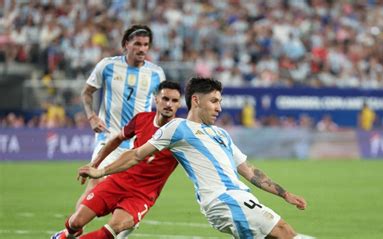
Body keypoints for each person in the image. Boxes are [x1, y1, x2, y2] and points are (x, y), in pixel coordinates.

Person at [79, 77, 310, 238]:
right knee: (285, 233)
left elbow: (250, 171)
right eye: (214, 101)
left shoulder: (221, 134)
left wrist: (285, 194)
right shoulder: (178, 128)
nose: (219, 107)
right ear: (196, 101)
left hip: (240, 196)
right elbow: (137, 154)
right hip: (224, 200)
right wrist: (100, 170)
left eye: (220, 101)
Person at [51, 81, 181, 239]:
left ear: (179, 103)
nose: (169, 104)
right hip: (118, 181)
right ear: (156, 100)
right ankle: (66, 234)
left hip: (142, 195)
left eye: (174, 100)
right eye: (165, 98)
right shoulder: (141, 119)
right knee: (76, 222)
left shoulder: (181, 133)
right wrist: (95, 163)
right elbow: (117, 139)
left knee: (113, 229)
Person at [78, 24, 165, 239]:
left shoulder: (156, 73)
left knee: (133, 197)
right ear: (126, 44)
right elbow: (87, 93)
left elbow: (162, 107)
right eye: (137, 44)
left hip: (139, 145)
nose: (142, 49)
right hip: (108, 137)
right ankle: (73, 228)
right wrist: (91, 116)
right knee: (96, 184)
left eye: (146, 45)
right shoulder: (107, 66)